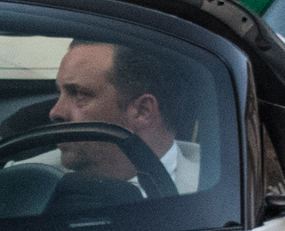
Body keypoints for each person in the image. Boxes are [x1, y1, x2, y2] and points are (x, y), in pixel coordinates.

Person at [46, 40, 186, 194]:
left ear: (142, 111)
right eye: (59, 93)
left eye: (79, 94)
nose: (55, 112)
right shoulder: (28, 179)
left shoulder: (211, 188)